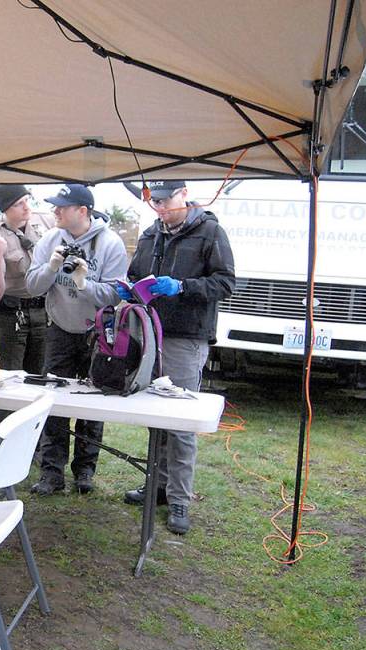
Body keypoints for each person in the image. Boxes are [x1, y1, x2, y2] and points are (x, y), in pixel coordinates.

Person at [118, 180, 235, 534]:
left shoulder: (210, 232)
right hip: (151, 334)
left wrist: (182, 287)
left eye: (166, 201)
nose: (161, 209)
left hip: (187, 338)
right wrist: (130, 288)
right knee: (157, 415)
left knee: (181, 422)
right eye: (155, 202)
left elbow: (226, 283)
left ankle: (180, 497)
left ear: (184, 194)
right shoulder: (152, 234)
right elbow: (136, 273)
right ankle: (158, 485)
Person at [25, 184, 127, 495]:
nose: (55, 211)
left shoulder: (110, 244)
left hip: (98, 334)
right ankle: (51, 473)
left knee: (92, 402)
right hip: (60, 330)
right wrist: (51, 267)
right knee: (53, 401)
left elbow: (114, 294)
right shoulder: (49, 240)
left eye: (62, 207)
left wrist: (84, 283)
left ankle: (85, 472)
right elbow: (32, 286)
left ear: (82, 211)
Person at [0, 184, 51, 428]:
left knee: (39, 380)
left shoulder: (43, 226)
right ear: (5, 208)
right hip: (10, 317)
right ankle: (4, 441)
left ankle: (36, 443)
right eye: (19, 203)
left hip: (43, 312)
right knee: (6, 383)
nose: (26, 207)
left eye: (27, 200)